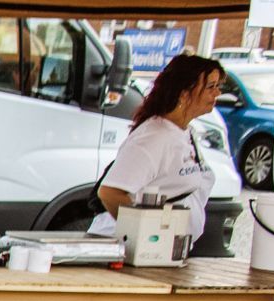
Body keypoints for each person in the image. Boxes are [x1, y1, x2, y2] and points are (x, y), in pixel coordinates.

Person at [90, 53, 219, 247]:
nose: (217, 93)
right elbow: (110, 193)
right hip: (131, 249)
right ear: (185, 92)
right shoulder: (154, 137)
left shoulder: (184, 132)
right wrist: (147, 237)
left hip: (164, 251)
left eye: (218, 87)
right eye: (210, 87)